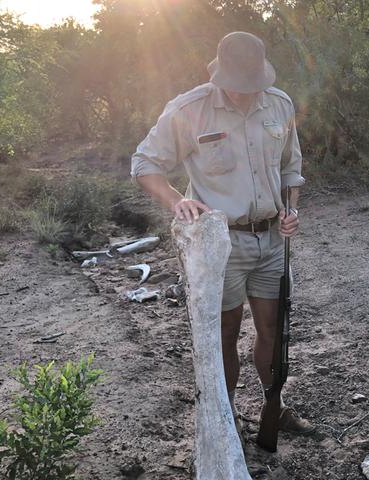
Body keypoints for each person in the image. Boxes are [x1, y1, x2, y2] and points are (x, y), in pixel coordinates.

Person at [130, 31, 314, 436]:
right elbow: (144, 163)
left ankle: (274, 406)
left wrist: (292, 208)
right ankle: (226, 418)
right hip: (220, 246)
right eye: (235, 86)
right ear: (218, 73)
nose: (243, 95)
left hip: (271, 242)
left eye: (250, 86)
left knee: (272, 329)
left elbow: (290, 168)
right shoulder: (189, 109)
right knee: (225, 332)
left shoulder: (279, 104)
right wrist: (178, 200)